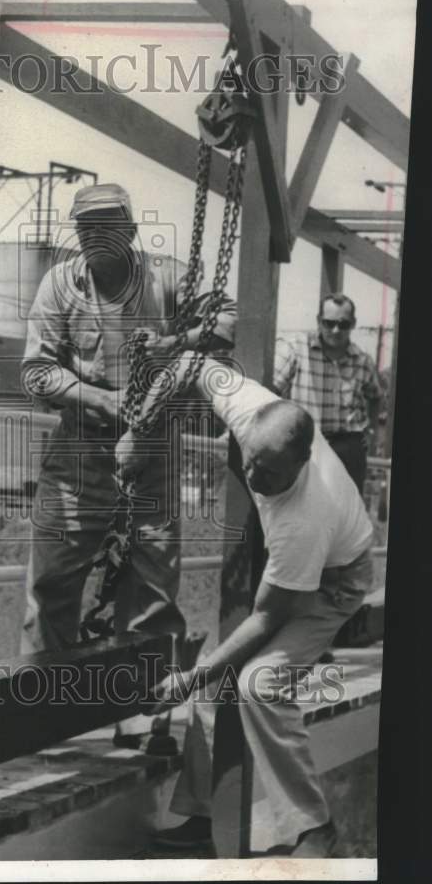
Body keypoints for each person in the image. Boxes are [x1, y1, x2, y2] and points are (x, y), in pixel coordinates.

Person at [115, 355, 374, 856]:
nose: (254, 476)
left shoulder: (304, 518)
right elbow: (188, 362)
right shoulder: (248, 407)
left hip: (335, 581)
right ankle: (201, 814)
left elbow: (268, 618)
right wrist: (138, 431)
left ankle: (314, 825)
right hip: (298, 568)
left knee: (257, 684)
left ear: (303, 463)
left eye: (270, 472)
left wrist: (189, 679)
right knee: (218, 675)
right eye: (249, 460)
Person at [21, 182, 236, 752]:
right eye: (85, 226)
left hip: (152, 455)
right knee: (51, 587)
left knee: (151, 592)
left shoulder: (168, 276)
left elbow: (230, 319)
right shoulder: (59, 285)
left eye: (108, 225)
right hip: (80, 454)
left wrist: (173, 340)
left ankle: (145, 718)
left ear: (132, 231)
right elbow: (36, 372)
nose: (95, 237)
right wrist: (101, 400)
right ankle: (42, 719)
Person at [274, 293, 382, 494]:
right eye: (329, 322)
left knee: (346, 515)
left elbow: (375, 396)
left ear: (353, 324)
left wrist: (372, 429)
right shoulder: (296, 349)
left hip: (348, 446)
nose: (335, 330)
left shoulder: (362, 360)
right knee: (299, 506)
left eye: (343, 324)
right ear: (318, 321)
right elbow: (271, 389)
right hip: (306, 442)